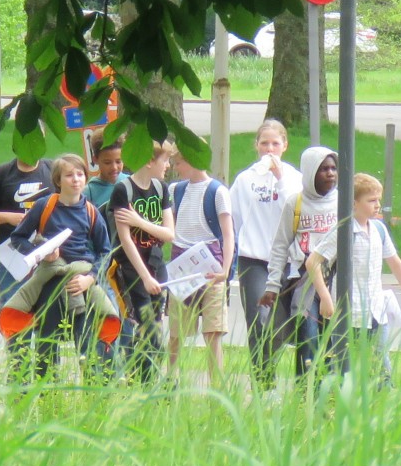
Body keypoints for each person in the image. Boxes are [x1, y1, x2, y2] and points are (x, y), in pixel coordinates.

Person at [0, 154, 120, 381]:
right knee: (47, 343)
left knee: (87, 344)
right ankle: (46, 392)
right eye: (69, 175)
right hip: (51, 282)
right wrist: (41, 252)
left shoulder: (91, 211)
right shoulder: (45, 206)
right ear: (58, 180)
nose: (75, 179)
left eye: (80, 174)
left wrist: (90, 278)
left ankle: (94, 392)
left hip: (79, 285)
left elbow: (105, 252)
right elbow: (19, 238)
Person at [307, 172, 401, 384]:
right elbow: (313, 262)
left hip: (376, 311)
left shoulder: (379, 229)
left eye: (378, 200)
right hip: (347, 313)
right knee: (343, 367)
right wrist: (325, 298)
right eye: (371, 201)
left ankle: (383, 403)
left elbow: (396, 264)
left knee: (381, 364)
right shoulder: (343, 231)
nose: (377, 205)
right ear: (354, 203)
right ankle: (341, 405)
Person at [228, 119, 301, 390]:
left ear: (284, 146)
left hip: (288, 261)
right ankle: (264, 382)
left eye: (275, 143)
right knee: (259, 321)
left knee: (282, 325)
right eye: (264, 143)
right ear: (256, 146)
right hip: (255, 260)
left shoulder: (294, 178)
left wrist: (280, 178)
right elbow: (234, 217)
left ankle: (274, 367)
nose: (269, 149)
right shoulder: (246, 179)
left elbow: (295, 211)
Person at [264, 146, 339, 390]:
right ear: (310, 173)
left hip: (333, 277)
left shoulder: (342, 202)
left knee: (332, 340)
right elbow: (280, 246)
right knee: (307, 337)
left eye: (333, 168)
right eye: (323, 169)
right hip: (303, 281)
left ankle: (328, 391)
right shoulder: (295, 203)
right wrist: (273, 284)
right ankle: (305, 391)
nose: (330, 173)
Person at [106, 140, 175, 382]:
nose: (168, 165)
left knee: (155, 322)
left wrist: (141, 222)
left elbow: (169, 233)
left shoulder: (161, 188)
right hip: (133, 267)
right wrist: (144, 277)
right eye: (164, 160)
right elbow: (126, 240)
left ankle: (147, 376)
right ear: (149, 160)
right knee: (143, 320)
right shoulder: (123, 190)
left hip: (156, 262)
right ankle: (146, 380)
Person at [164, 149, 233, 387]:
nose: (176, 168)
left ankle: (218, 385)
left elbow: (227, 233)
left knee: (213, 332)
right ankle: (170, 378)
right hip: (182, 262)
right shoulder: (176, 190)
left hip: (210, 264)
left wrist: (226, 268)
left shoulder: (218, 192)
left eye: (179, 162)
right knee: (177, 331)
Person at [0, 155, 54, 299]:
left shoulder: (52, 169)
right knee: (12, 309)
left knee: (44, 309)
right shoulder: (2, 173)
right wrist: (8, 217)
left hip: (45, 251)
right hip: (9, 254)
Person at [84, 135, 123, 213]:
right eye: (107, 163)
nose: (114, 167)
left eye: (118, 161)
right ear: (95, 160)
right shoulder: (89, 192)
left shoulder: (130, 182)